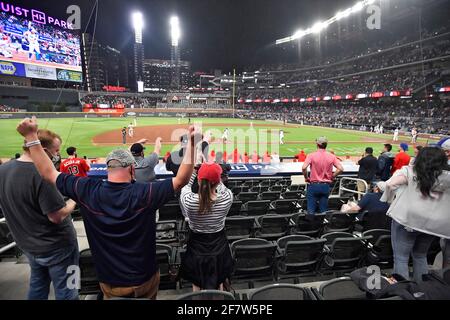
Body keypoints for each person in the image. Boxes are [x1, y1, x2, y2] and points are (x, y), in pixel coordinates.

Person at [16, 116, 199, 300]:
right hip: (144, 278)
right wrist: (192, 144)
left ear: (107, 168)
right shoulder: (145, 193)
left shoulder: (86, 189)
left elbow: (48, 172)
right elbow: (181, 179)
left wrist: (32, 136)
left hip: (110, 281)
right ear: (132, 170)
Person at [0, 129, 78, 300]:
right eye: (56, 150)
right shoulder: (42, 175)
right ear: (41, 149)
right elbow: (56, 216)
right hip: (58, 246)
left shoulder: (4, 169)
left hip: (29, 245)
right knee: (70, 289)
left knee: (38, 286)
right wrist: (74, 200)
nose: (57, 154)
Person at [380, 147, 450, 282]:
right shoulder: (447, 177)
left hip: (408, 220)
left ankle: (403, 290)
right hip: (433, 224)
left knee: (401, 257)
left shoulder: (411, 171)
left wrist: (388, 200)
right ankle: (421, 290)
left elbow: (390, 185)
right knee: (420, 255)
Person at [179, 163, 234, 291]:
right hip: (219, 242)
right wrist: (213, 175)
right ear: (218, 181)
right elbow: (221, 187)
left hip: (197, 243)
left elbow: (185, 186)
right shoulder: (227, 197)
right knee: (219, 278)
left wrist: (194, 173)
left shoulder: (189, 201)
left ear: (199, 181)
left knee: (197, 282)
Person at [302, 137, 344, 214]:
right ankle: (322, 225)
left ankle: (312, 225)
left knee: (311, 211)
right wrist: (332, 176)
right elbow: (341, 169)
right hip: (325, 186)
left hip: (314, 185)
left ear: (317, 144)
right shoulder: (331, 156)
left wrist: (306, 177)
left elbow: (304, 167)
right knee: (323, 211)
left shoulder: (311, 155)